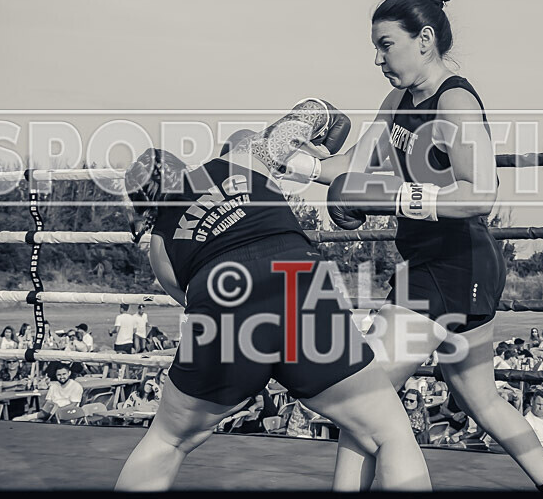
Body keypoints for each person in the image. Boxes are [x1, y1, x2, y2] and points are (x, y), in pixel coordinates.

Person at [291, 0, 543, 488]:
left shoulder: (454, 102)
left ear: (424, 40)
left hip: (455, 265)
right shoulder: (398, 98)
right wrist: (297, 163)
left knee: (361, 393)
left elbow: (481, 194)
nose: (377, 58)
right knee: (480, 399)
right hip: (432, 264)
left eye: (386, 44)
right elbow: (354, 164)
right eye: (375, 46)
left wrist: (395, 197)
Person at [115, 104, 431, 491]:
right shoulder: (245, 156)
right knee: (390, 434)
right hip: (300, 281)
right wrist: (323, 145)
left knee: (167, 440)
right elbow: (318, 109)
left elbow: (193, 301)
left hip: (224, 299)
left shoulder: (159, 248)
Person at [13, 363, 83, 422]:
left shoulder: (76, 386)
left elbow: (74, 404)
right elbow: (48, 403)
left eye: (64, 374)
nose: (61, 377)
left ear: (69, 373)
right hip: (51, 414)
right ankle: (28, 418)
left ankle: (30, 418)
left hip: (69, 414)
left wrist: (57, 411)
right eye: (59, 375)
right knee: (30, 420)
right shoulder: (54, 386)